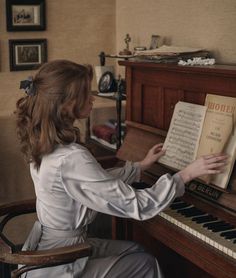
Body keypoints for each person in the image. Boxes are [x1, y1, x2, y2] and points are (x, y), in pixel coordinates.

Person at [15, 60, 227, 278]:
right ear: (67, 104)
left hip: (48, 246)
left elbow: (95, 181)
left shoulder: (46, 143)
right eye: (86, 93)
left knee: (135, 250)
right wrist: (186, 174)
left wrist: (140, 166)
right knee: (145, 263)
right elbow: (138, 205)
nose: (92, 97)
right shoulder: (71, 157)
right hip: (58, 261)